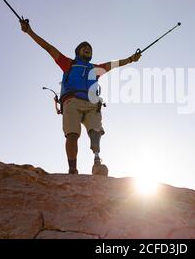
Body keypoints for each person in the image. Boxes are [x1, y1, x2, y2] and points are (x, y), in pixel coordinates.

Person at [20, 19, 141, 175]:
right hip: (72, 101)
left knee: (95, 131)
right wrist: (29, 32)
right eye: (84, 48)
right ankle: (72, 169)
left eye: (89, 48)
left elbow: (113, 64)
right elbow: (48, 48)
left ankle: (97, 163)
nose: (87, 49)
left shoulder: (96, 68)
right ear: (77, 52)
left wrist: (131, 59)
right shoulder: (69, 64)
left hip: (92, 104)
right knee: (72, 134)